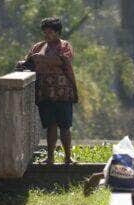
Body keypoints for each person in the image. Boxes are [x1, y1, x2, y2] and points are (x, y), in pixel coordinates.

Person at [16, 17, 78, 165]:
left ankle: (68, 157)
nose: (47, 35)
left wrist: (43, 59)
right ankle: (50, 158)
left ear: (57, 32)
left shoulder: (65, 46)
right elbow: (30, 63)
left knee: (65, 126)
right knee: (50, 126)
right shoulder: (38, 47)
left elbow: (64, 61)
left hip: (63, 93)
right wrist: (22, 64)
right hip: (45, 93)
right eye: (45, 32)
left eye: (50, 32)